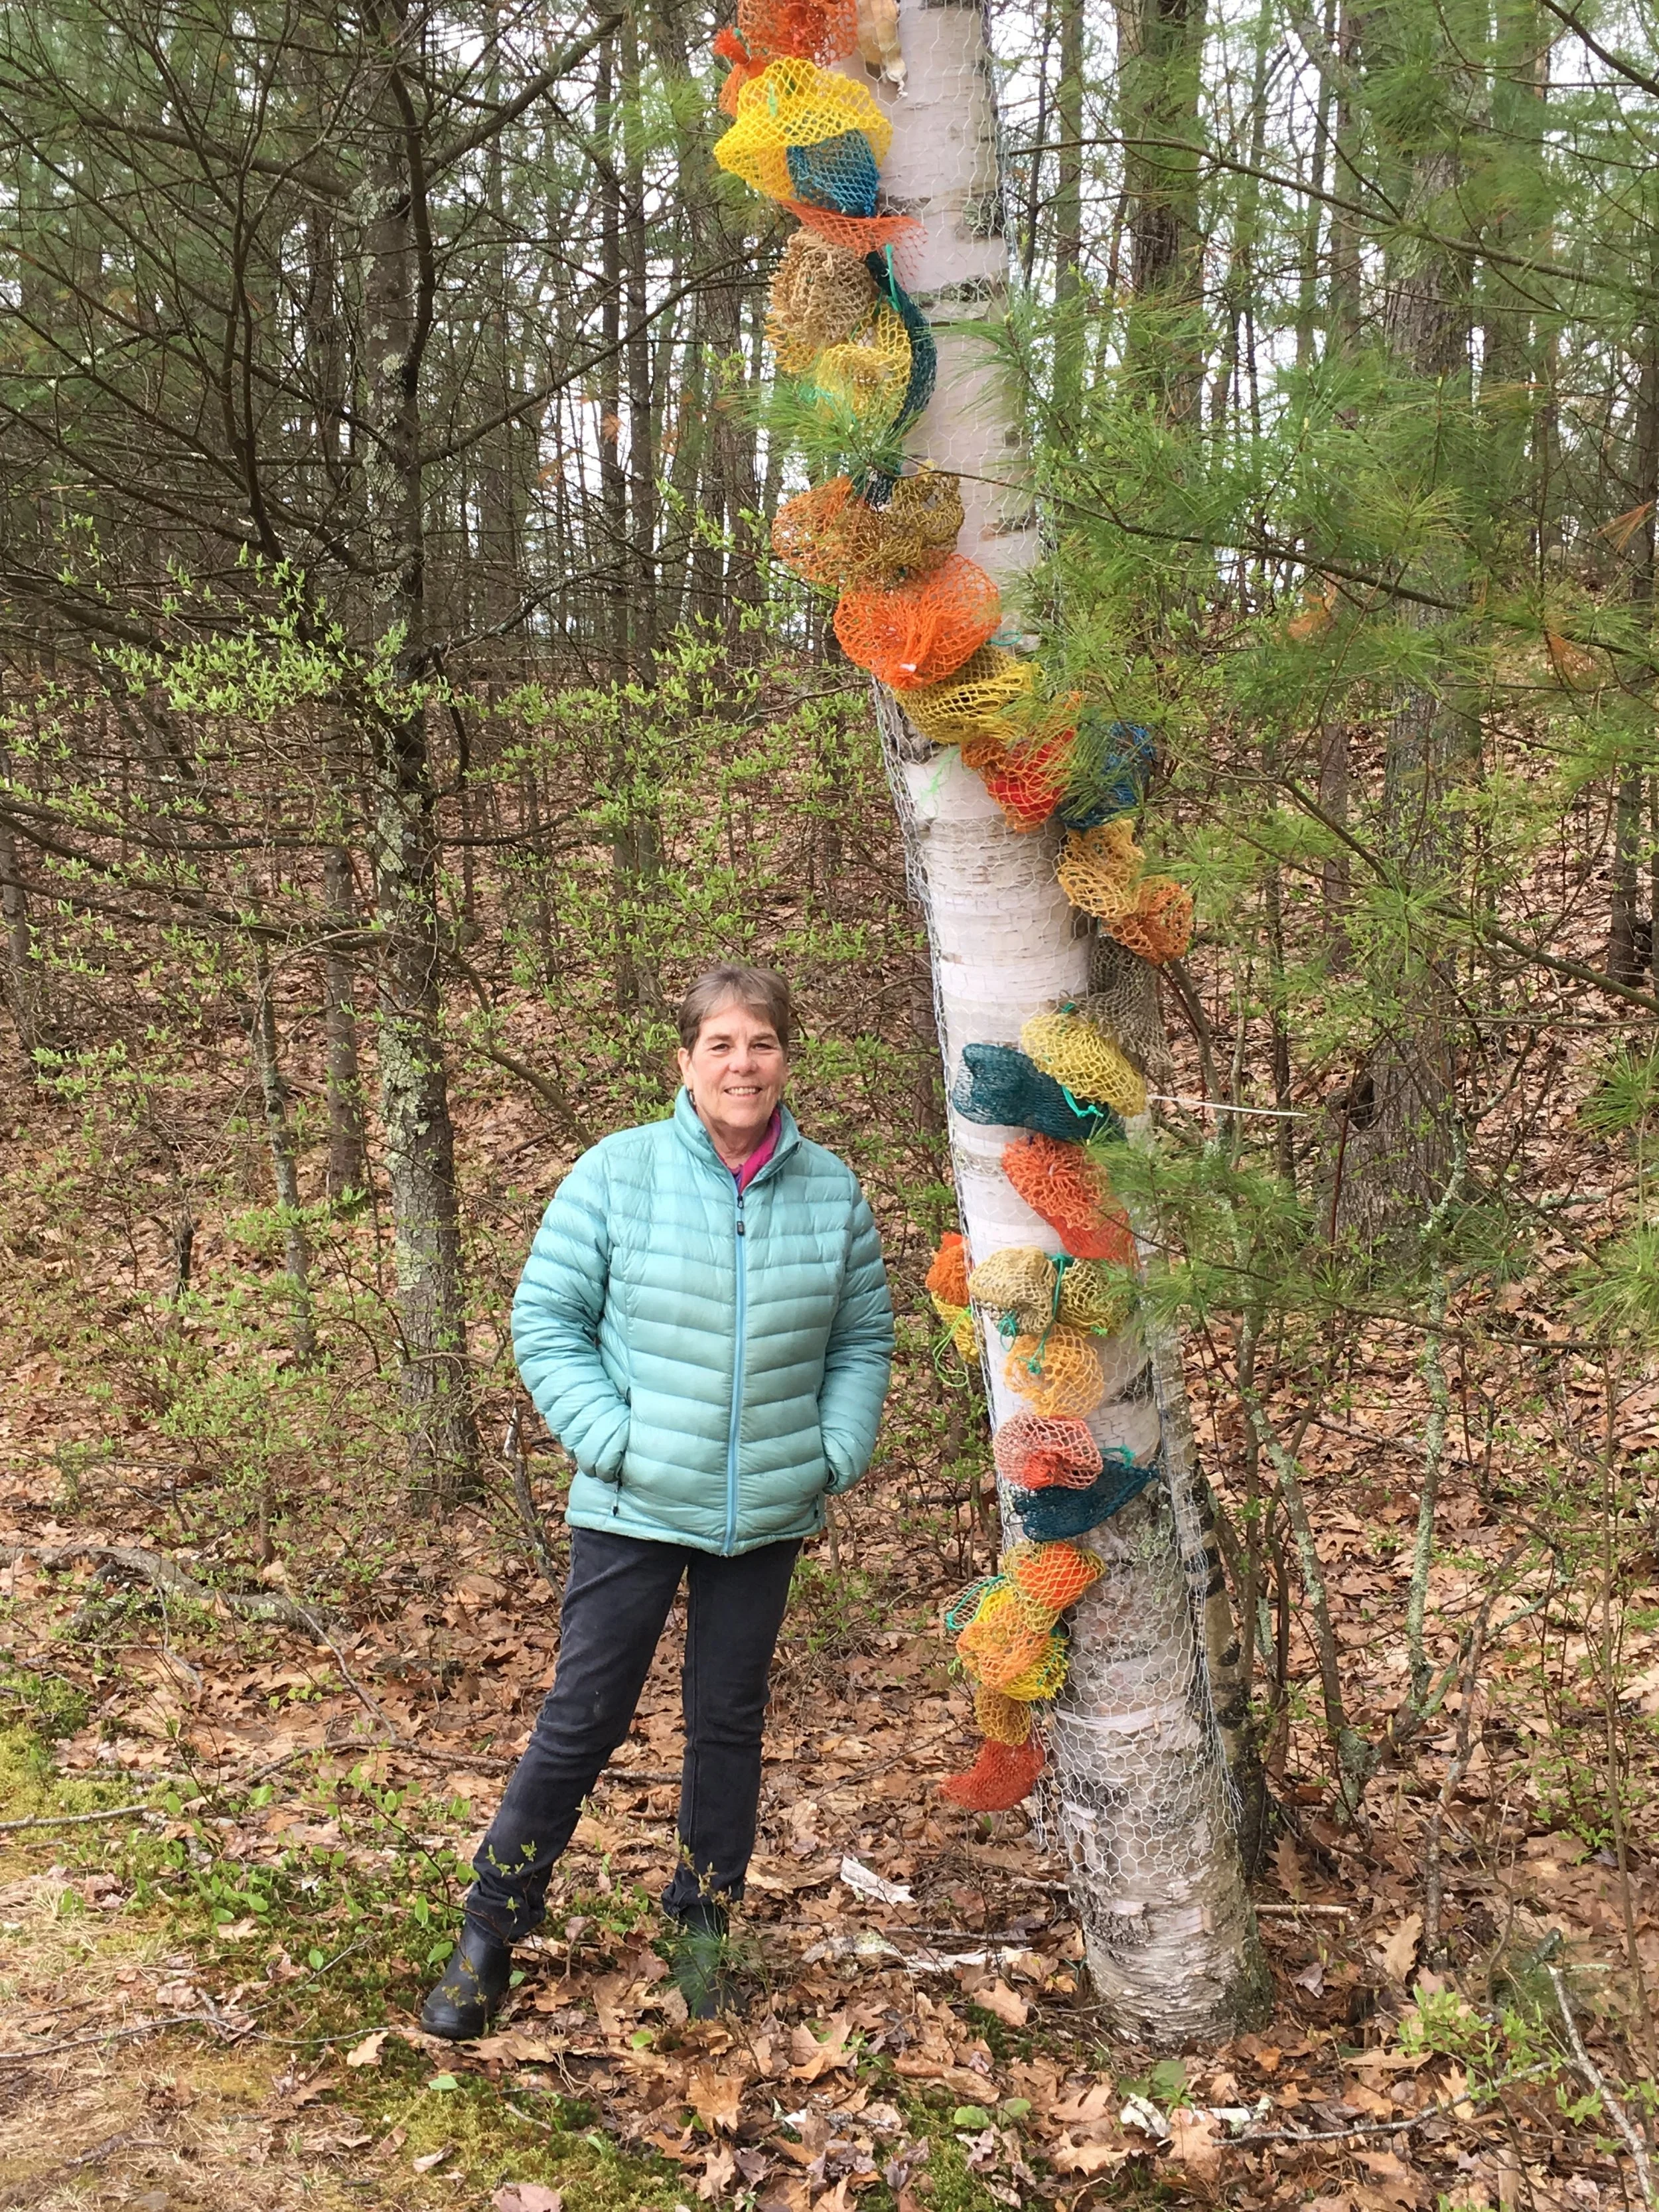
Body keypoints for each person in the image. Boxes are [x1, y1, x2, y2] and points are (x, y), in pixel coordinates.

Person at [420, 964, 895, 2037]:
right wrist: (609, 1440)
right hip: (632, 1505)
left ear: (786, 1058)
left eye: (762, 1043)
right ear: (684, 1061)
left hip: (767, 1507)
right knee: (583, 1716)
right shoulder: (616, 1172)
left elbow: (863, 1337)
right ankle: (490, 1932)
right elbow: (546, 1320)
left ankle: (703, 1927)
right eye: (721, 1044)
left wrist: (833, 1450)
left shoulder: (833, 1190)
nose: (743, 1064)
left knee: (727, 1724)